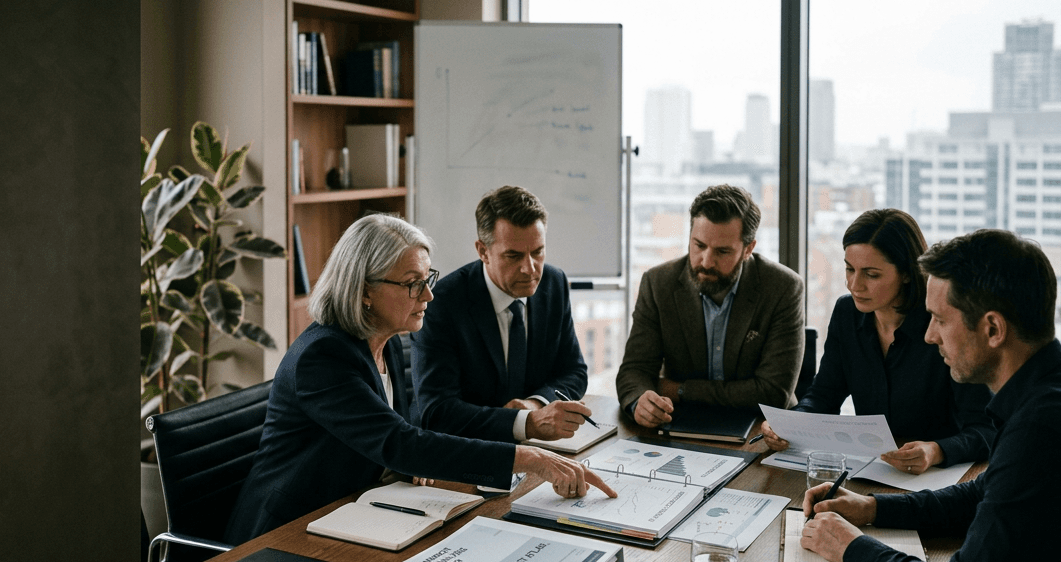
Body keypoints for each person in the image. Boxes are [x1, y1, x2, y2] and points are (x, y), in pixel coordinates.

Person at [799, 229, 1061, 562]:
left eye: (941, 320)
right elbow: (982, 491)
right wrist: (872, 508)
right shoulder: (1040, 395)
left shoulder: (1042, 427)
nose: (929, 336)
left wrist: (853, 548)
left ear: (992, 329)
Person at [224, 214, 613, 544]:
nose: (428, 295)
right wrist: (526, 457)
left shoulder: (387, 339)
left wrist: (418, 465)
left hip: (356, 510)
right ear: (364, 292)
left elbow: (398, 433)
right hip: (285, 531)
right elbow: (399, 442)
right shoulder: (322, 357)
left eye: (428, 279)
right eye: (413, 283)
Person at [756, 209, 993, 473]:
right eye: (849, 269)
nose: (854, 285)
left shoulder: (942, 323)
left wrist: (936, 450)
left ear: (905, 272)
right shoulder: (847, 313)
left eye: (871, 274)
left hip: (938, 478)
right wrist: (790, 425)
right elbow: (824, 395)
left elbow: (986, 429)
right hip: (872, 470)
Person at [411, 185, 592, 443]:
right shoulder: (441, 302)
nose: (529, 269)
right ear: (483, 251)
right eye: (513, 255)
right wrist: (524, 423)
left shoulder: (554, 283)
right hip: (463, 450)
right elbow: (437, 411)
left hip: (536, 448)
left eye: (538, 251)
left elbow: (574, 371)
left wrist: (535, 404)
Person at [615, 184, 804, 428]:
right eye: (699, 245)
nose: (706, 261)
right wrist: (639, 402)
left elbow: (772, 393)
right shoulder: (658, 283)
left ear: (748, 249)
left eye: (722, 251)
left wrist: (681, 390)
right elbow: (635, 370)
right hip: (680, 423)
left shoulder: (783, 287)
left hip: (764, 430)